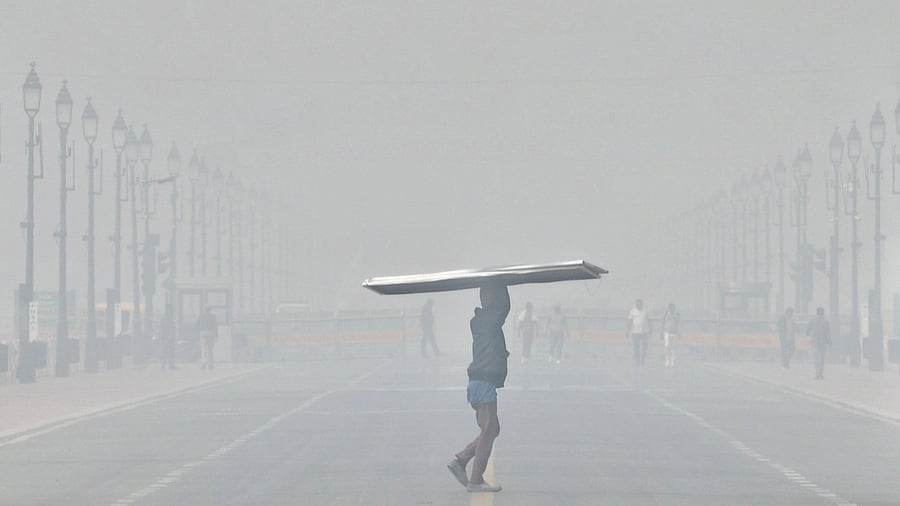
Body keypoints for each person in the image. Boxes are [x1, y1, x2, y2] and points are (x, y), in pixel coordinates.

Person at [447, 282, 510, 493]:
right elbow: (504, 308)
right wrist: (504, 283)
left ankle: (461, 460)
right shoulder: (488, 321)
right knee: (489, 428)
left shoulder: (482, 321)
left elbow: (501, 308)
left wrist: (502, 284)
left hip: (479, 381)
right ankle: (475, 480)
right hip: (483, 379)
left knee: (492, 429)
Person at [806, 307, 831, 380]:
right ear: (823, 313)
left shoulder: (812, 321)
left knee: (816, 359)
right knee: (821, 359)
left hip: (814, 343)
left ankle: (817, 373)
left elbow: (807, 330)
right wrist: (829, 342)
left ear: (817, 313)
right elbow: (828, 334)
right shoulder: (826, 322)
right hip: (823, 343)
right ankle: (821, 374)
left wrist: (809, 334)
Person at [626, 299, 651, 366]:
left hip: (644, 332)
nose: (639, 304)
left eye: (640, 303)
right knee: (636, 347)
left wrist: (650, 329)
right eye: (637, 303)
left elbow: (649, 321)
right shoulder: (632, 311)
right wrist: (627, 330)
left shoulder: (645, 311)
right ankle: (637, 360)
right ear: (636, 304)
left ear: (642, 304)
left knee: (644, 347)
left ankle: (643, 359)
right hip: (635, 332)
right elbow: (630, 321)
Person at [196, 305, 218, 370]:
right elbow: (215, 326)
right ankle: (210, 364)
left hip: (202, 333)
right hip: (211, 333)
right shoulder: (213, 317)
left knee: (203, 349)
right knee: (210, 349)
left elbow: (197, 325)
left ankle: (204, 363)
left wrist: (198, 333)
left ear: (205, 309)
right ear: (210, 310)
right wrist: (216, 335)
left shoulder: (201, 316)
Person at [660, 303, 680, 368]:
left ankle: (673, 362)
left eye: (673, 308)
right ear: (668, 308)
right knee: (667, 346)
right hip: (667, 332)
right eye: (670, 307)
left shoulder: (677, 315)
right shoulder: (666, 314)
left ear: (674, 308)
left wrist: (679, 333)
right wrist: (661, 333)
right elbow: (662, 323)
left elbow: (679, 324)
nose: (671, 309)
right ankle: (667, 361)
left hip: (674, 333)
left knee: (674, 347)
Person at [159, 304, 176, 370]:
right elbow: (167, 328)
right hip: (167, 338)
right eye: (171, 310)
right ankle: (165, 365)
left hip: (168, 337)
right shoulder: (166, 318)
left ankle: (169, 364)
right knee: (166, 351)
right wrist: (169, 337)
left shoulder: (166, 317)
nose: (172, 311)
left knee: (169, 351)